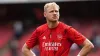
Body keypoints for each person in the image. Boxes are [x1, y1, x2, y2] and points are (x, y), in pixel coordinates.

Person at [22, 2, 94, 56]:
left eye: (56, 11)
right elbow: (25, 49)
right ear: (45, 14)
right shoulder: (39, 30)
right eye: (51, 11)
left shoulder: (67, 29)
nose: (55, 13)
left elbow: (88, 45)